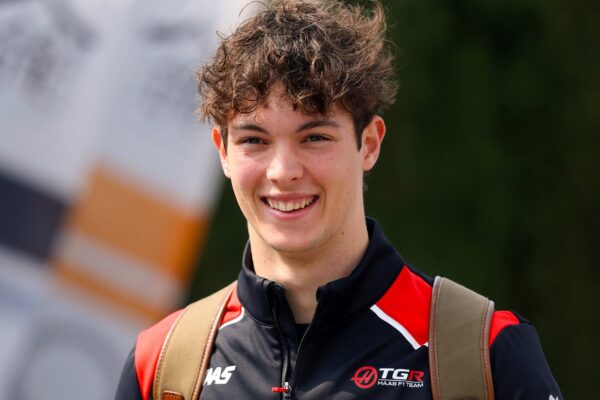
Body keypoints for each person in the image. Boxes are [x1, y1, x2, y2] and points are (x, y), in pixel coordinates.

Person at [115, 1, 562, 399]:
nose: (282, 171)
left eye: (314, 137)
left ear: (369, 144)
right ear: (223, 152)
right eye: (254, 140)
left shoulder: (486, 352)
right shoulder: (160, 364)